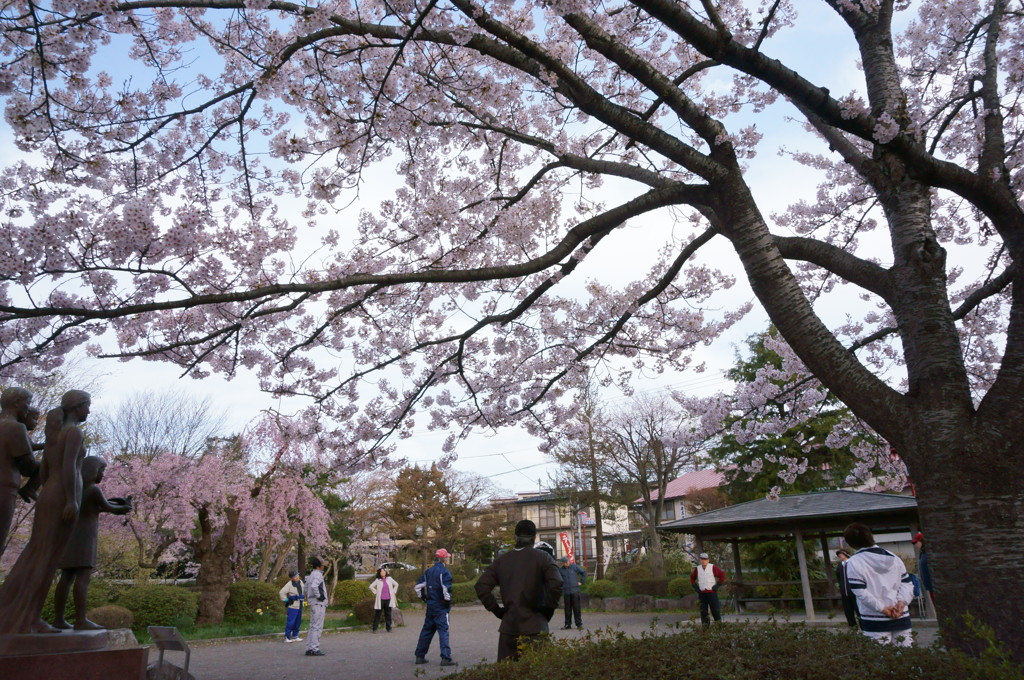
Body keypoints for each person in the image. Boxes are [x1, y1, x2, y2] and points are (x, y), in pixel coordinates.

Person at [0, 391, 91, 634]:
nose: (88, 412)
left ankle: (16, 613)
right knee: (47, 559)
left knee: (38, 555)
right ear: (77, 407)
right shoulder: (72, 432)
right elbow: (69, 466)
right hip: (63, 494)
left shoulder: (55, 435)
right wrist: (72, 499)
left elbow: (45, 471)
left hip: (51, 493)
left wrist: (35, 489)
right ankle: (28, 618)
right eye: (87, 406)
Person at [53, 456, 132, 629]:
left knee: (66, 577)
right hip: (85, 539)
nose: (102, 474)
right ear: (93, 471)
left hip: (69, 538)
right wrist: (125, 507)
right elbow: (110, 508)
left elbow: (103, 505)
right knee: (83, 577)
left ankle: (58, 618)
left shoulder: (74, 490)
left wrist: (115, 505)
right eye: (101, 470)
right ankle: (81, 620)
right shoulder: (93, 490)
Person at [475, 519, 564, 662]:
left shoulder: (502, 560)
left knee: (507, 673)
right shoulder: (543, 558)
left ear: (515, 537)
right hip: (535, 625)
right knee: (537, 671)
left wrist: (498, 610)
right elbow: (557, 583)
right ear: (534, 538)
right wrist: (547, 609)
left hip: (508, 628)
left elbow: (481, 586)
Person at [842, 522, 915, 646]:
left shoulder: (853, 562)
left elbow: (860, 592)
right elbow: (907, 583)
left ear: (850, 543)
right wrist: (901, 603)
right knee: (907, 656)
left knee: (879, 659)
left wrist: (883, 609)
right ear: (871, 536)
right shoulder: (894, 558)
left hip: (873, 617)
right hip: (900, 615)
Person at [0, 387, 38, 561]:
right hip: (4, 488)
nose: (28, 408)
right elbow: (28, 467)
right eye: (27, 403)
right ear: (17, 403)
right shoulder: (15, 427)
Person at [414, 548, 457, 666]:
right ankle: (445, 657)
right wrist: (447, 604)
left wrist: (424, 598)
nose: (448, 559)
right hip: (441, 606)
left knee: (427, 630)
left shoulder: (429, 571)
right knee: (443, 631)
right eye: (447, 557)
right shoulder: (445, 572)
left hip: (431, 605)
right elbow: (446, 590)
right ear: (444, 559)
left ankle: (419, 656)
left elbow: (418, 587)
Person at [690, 552, 726, 627]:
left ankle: (719, 627)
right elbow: (692, 578)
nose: (703, 561)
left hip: (711, 593)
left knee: (715, 610)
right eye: (702, 559)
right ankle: (706, 628)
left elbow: (722, 575)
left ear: (708, 560)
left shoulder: (712, 567)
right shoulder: (697, 569)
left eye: (705, 559)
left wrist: (718, 585)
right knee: (703, 611)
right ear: (700, 560)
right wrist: (695, 586)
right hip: (702, 593)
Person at [304, 556, 328, 656]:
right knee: (317, 626)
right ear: (319, 566)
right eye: (322, 565)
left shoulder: (311, 575)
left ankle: (310, 647)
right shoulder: (318, 575)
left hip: (312, 602)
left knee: (312, 625)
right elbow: (314, 586)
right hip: (318, 603)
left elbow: (306, 587)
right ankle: (314, 647)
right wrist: (320, 596)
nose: (323, 566)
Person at [556, 556, 586, 630]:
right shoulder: (560, 570)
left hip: (575, 591)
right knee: (567, 609)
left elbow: (583, 572)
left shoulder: (574, 567)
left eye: (567, 561)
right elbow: (558, 579)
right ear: (563, 563)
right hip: (566, 592)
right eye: (565, 562)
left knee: (577, 608)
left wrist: (581, 582)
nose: (567, 563)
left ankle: (579, 624)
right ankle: (567, 625)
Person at [369, 566, 399, 633]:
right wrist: (376, 592)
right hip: (380, 599)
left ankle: (389, 628)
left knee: (388, 614)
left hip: (388, 599)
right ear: (379, 573)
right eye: (381, 572)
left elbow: (396, 584)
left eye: (384, 571)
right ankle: (375, 628)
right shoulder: (378, 580)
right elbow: (370, 586)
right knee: (378, 614)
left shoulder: (389, 579)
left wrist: (394, 591)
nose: (383, 573)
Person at [835, 548, 858, 628]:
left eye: (841, 554)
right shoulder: (840, 566)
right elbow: (839, 578)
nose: (839, 556)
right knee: (848, 611)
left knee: (859, 611)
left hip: (855, 592)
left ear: (846, 554)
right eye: (838, 555)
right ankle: (853, 628)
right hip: (844, 593)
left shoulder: (853, 563)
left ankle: (864, 629)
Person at [279, 570, 304, 643]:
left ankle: (295, 635)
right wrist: (286, 600)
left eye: (297, 576)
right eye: (295, 576)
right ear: (291, 578)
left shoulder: (301, 582)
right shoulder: (289, 584)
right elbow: (281, 592)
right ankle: (287, 637)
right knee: (291, 622)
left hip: (300, 604)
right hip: (293, 605)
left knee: (298, 621)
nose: (297, 577)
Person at [911, 532, 934, 607]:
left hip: (933, 585)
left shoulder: (929, 553)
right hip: (929, 585)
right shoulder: (923, 553)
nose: (916, 545)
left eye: (916, 542)